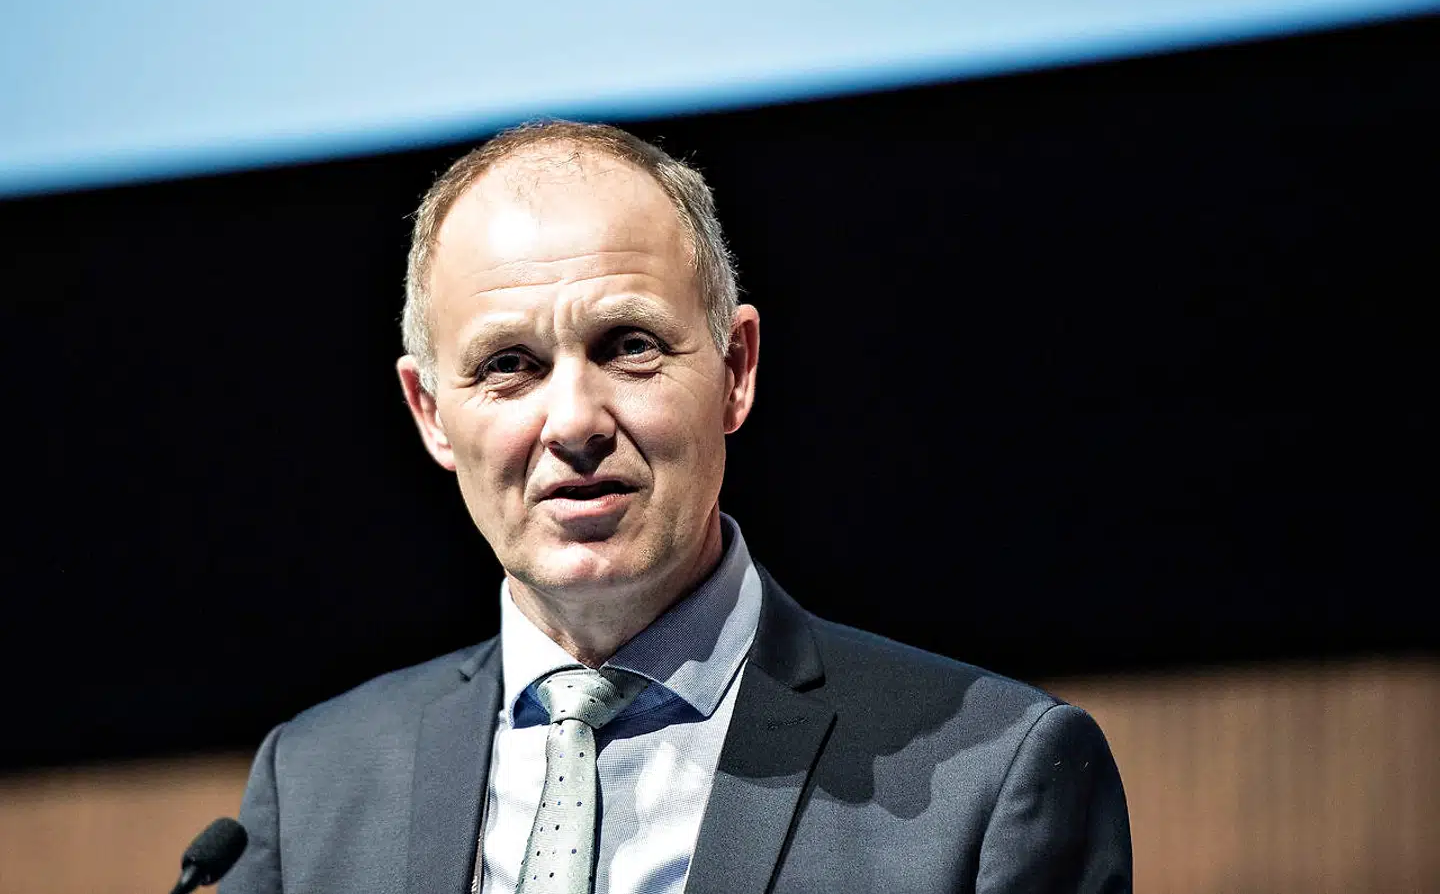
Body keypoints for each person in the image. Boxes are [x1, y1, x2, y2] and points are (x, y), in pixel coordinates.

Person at [221, 119, 1132, 894]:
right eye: (508, 365)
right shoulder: (310, 790)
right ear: (430, 413)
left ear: (736, 370)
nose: (574, 421)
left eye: (629, 346)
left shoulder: (995, 778)